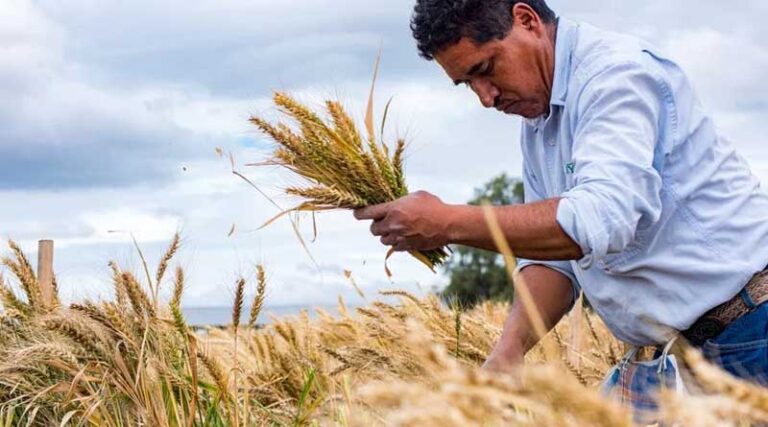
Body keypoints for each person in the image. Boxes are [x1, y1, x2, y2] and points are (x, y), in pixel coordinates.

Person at [353, 0, 768, 385]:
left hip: (751, 331)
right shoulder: (540, 119)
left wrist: (448, 223)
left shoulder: (616, 78)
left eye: (486, 69)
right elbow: (556, 262)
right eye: (467, 84)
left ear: (527, 20)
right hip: (670, 357)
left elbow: (597, 221)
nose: (485, 97)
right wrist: (505, 357)